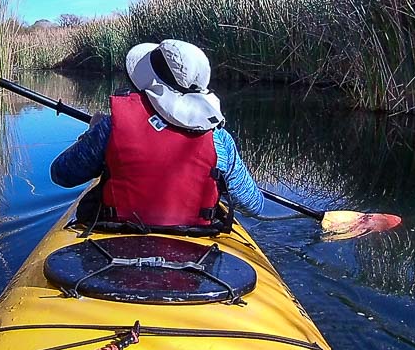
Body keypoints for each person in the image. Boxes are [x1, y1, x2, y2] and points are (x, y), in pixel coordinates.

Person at [50, 39, 263, 231]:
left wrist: (91, 135)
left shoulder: (110, 127)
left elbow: (61, 174)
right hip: (195, 244)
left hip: (115, 235)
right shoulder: (220, 139)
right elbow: (254, 206)